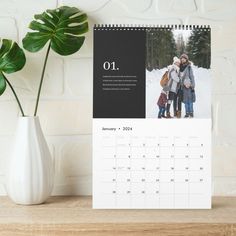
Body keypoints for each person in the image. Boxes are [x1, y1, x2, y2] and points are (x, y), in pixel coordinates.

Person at [179, 53, 195, 118]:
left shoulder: (189, 67)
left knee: (190, 100)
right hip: (183, 86)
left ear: (186, 59)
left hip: (189, 86)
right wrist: (181, 84)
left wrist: (193, 85)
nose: (183, 59)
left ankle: (191, 112)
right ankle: (187, 113)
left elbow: (192, 76)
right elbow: (179, 77)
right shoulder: (180, 67)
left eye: (184, 58)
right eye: (182, 58)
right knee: (185, 100)